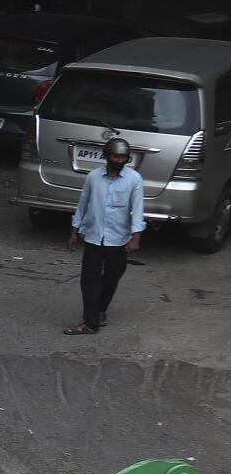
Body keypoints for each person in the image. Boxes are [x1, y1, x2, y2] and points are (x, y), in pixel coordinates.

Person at [65, 137, 146, 336]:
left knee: (112, 276)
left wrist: (136, 237)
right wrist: (74, 231)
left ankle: (99, 310)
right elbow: (83, 203)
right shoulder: (93, 177)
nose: (119, 160)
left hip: (118, 239)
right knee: (90, 280)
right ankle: (90, 322)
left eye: (123, 157)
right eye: (115, 156)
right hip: (93, 236)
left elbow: (137, 209)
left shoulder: (134, 179)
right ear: (107, 157)